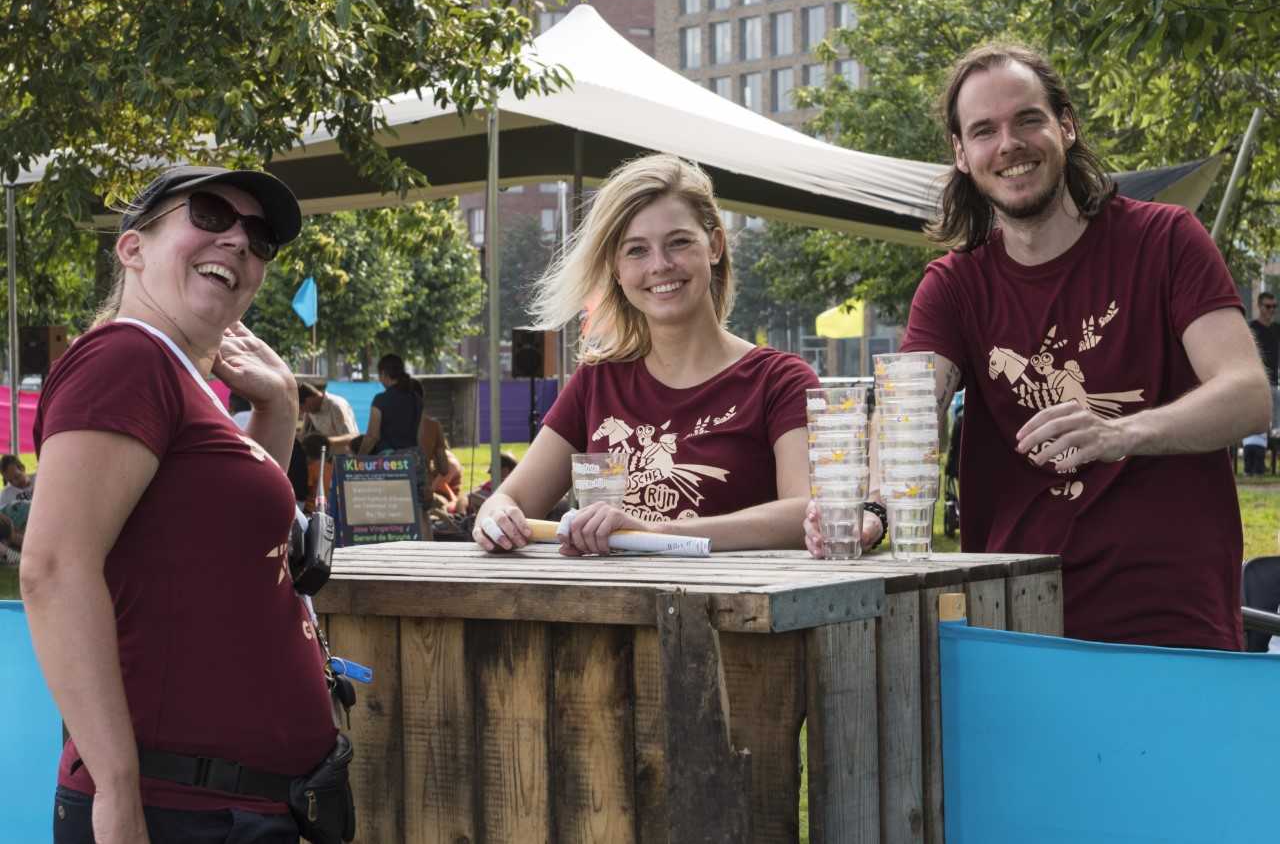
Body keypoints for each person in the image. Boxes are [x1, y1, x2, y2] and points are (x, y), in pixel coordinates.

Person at [810, 43, 1272, 650]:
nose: (1009, 144)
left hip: (1167, 616)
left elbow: (1247, 396)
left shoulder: (1165, 240)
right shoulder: (953, 285)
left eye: (1028, 119)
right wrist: (874, 510)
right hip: (1013, 616)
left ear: (1066, 125)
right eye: (984, 130)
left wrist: (1122, 433)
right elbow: (911, 414)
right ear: (961, 154)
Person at [21, 166, 338, 843]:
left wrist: (276, 406)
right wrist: (116, 792)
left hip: (229, 805)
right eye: (211, 215)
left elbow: (225, 542)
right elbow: (52, 568)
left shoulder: (180, 386)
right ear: (132, 248)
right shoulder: (126, 360)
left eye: (258, 238)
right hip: (177, 810)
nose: (240, 242)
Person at [474, 154, 817, 555]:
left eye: (679, 242)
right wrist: (496, 516)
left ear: (715, 246)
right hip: (608, 613)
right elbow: (510, 499)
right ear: (616, 270)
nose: (661, 265)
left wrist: (651, 532)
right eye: (636, 250)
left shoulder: (780, 380)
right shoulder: (597, 380)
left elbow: (805, 514)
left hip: (734, 613)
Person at [357, 354, 422, 455]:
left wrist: (358, 458)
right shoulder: (416, 398)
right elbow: (421, 434)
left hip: (391, 464)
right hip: (415, 460)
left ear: (383, 373)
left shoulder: (380, 400)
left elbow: (373, 436)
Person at [298, 381, 360, 453]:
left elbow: (353, 437)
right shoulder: (310, 410)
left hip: (347, 459)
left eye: (301, 407)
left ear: (309, 399)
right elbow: (303, 435)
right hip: (329, 458)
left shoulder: (336, 407)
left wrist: (325, 441)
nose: (302, 411)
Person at [1249, 291, 1278, 386]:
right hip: (1256, 384)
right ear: (1259, 306)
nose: (1272, 309)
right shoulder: (1251, 329)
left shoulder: (1277, 328)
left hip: (1274, 383)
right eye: (1268, 306)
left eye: (1274, 306)